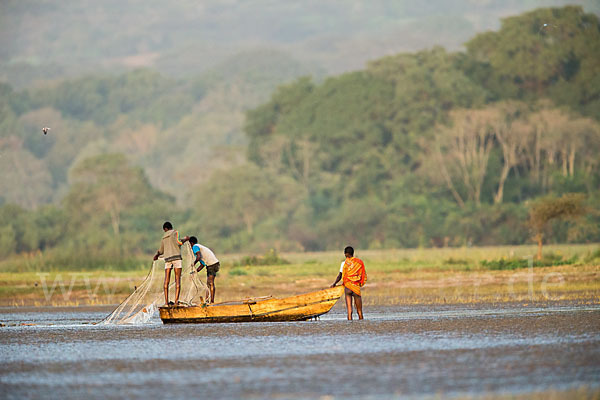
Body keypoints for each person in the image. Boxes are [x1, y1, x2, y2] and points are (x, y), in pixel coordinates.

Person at [153, 221, 187, 306]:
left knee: (166, 280)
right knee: (177, 280)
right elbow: (179, 242)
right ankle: (176, 302)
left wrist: (156, 255)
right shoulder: (175, 232)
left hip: (167, 260)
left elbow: (161, 251)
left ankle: (166, 302)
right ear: (170, 227)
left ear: (165, 229)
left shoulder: (164, 237)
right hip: (176, 258)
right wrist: (185, 239)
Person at [331, 246, 367, 320]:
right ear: (353, 253)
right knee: (359, 311)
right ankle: (361, 325)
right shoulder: (359, 262)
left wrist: (334, 283)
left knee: (349, 311)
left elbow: (340, 276)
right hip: (356, 287)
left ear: (345, 254)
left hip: (347, 288)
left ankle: (349, 325)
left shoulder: (344, 263)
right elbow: (362, 274)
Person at [189, 236, 220, 304]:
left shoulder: (195, 246)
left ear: (191, 243)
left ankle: (211, 302)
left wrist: (193, 264)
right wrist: (195, 272)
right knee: (208, 284)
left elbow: (198, 256)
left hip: (212, 264)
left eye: (190, 245)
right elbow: (202, 265)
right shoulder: (200, 247)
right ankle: (207, 301)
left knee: (210, 283)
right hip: (213, 264)